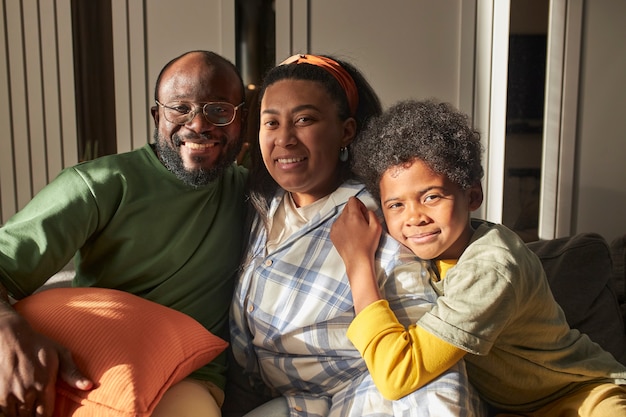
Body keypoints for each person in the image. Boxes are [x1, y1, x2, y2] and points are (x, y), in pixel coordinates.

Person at [330, 98, 626, 416]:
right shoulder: (418, 250)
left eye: (431, 197)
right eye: (396, 205)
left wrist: (358, 263)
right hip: (511, 408)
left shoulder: (492, 267)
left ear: (472, 195)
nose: (414, 217)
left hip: (586, 397)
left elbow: (398, 374)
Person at [227, 55, 484, 417]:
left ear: (346, 131)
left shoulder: (378, 215)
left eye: (304, 120)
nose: (284, 138)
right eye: (271, 122)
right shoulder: (257, 205)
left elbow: (419, 340)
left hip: (373, 391)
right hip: (295, 402)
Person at [0, 50, 248, 417]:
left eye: (219, 110)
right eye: (179, 108)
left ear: (240, 121)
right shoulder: (99, 185)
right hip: (90, 363)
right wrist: (7, 328)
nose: (199, 124)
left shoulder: (253, 193)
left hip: (191, 379)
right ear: (156, 116)